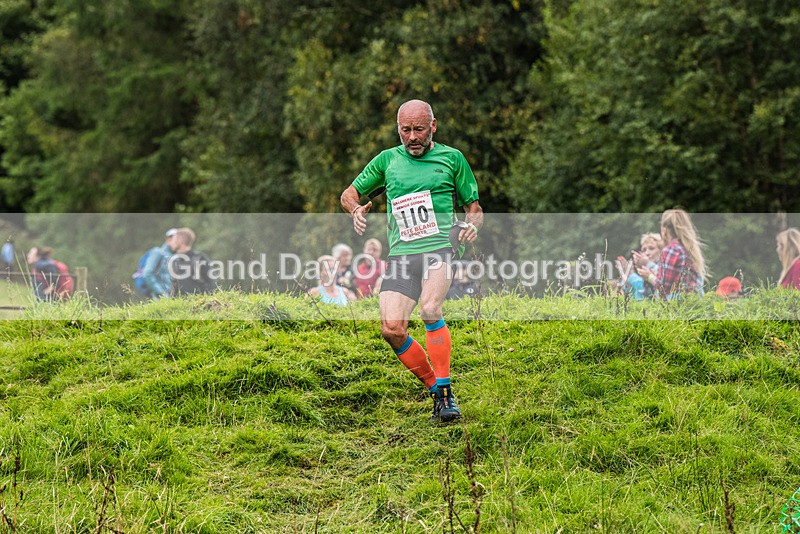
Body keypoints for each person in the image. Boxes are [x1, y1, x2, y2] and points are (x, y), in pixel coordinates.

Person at [340, 99, 483, 422]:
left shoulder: (452, 159)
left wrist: (472, 226)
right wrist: (356, 209)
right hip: (402, 254)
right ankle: (437, 390)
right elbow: (348, 193)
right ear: (398, 129)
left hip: (440, 248)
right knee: (391, 329)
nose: (413, 137)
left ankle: (446, 394)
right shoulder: (387, 161)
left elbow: (474, 207)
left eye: (419, 129)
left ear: (433, 126)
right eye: (406, 130)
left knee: (430, 309)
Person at [637, 208, 706, 299]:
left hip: (678, 305)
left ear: (664, 230)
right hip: (694, 303)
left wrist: (649, 276)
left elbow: (663, 287)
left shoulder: (671, 250)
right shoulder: (689, 248)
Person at [169, 227, 217, 296]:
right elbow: (174, 288)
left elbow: (211, 283)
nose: (171, 243)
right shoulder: (175, 261)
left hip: (199, 303)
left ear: (180, 240)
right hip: (182, 304)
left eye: (173, 239)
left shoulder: (200, 258)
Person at [616, 232, 663, 300]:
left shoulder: (663, 267)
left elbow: (648, 292)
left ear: (661, 251)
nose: (647, 253)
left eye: (651, 248)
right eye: (644, 250)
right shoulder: (641, 271)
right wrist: (626, 276)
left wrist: (631, 275)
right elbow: (633, 297)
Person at [137, 228, 177, 299]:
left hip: (170, 296)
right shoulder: (158, 252)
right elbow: (147, 274)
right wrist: (162, 293)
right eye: (175, 239)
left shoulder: (174, 256)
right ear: (168, 239)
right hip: (158, 297)